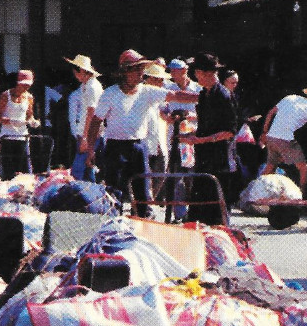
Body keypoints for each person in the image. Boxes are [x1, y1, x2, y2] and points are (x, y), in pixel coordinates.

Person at [85, 50, 199, 217]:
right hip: (115, 148)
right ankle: (112, 224)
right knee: (113, 192)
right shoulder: (110, 94)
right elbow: (96, 121)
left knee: (143, 192)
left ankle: (142, 222)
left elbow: (176, 95)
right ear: (125, 72)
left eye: (141, 69)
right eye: (137, 69)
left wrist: (203, 96)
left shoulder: (147, 91)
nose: (141, 73)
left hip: (139, 147)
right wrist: (90, 149)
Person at [180, 54, 238, 224]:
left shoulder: (223, 95)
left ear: (204, 73)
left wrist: (202, 140)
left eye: (196, 72)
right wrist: (190, 136)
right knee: (198, 210)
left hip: (220, 161)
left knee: (217, 212)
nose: (195, 76)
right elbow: (207, 126)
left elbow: (229, 131)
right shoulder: (204, 94)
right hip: (204, 159)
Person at [260, 85, 307, 188]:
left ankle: (257, 189)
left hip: (271, 137)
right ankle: (302, 194)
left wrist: (264, 132)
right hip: (285, 140)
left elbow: (271, 113)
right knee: (303, 168)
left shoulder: (290, 97)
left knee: (271, 167)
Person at [0, 69, 39, 179]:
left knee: (23, 168)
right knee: (8, 169)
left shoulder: (29, 97)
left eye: (28, 85)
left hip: (22, 136)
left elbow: (29, 116)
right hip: (7, 136)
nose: (26, 88)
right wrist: (11, 121)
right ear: (18, 83)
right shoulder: (6, 95)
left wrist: (33, 122)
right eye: (24, 85)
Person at [65, 54, 103, 181]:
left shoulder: (92, 87)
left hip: (90, 134)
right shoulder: (85, 86)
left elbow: (92, 113)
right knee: (88, 168)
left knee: (78, 169)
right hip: (85, 133)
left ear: (81, 71)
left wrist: (86, 138)